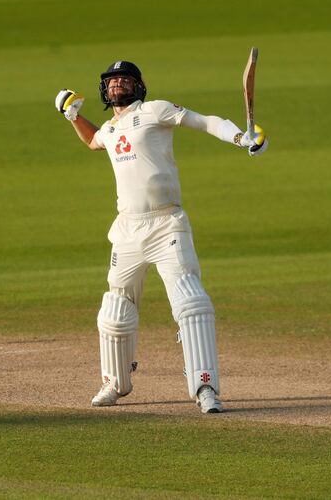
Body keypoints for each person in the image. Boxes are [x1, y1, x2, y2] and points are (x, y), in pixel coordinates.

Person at [54, 60, 267, 413]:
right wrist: (73, 115)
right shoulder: (108, 128)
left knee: (191, 302)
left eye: (125, 79)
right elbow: (94, 141)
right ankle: (115, 383)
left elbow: (205, 121)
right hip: (127, 228)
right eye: (112, 81)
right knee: (116, 310)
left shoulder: (156, 110)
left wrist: (239, 137)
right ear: (104, 91)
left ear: (138, 86)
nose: (118, 84)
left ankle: (205, 389)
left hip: (167, 223)